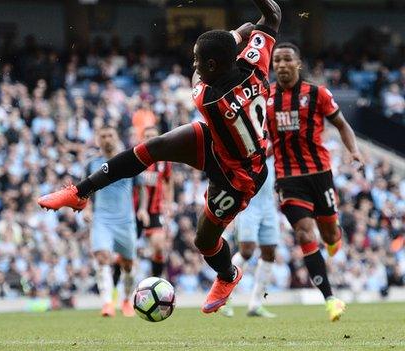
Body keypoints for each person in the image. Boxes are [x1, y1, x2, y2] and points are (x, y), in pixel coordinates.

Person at [39, 0, 281, 314]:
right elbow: (272, 15)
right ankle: (79, 192)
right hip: (219, 140)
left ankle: (228, 274)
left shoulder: (208, 98)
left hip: (238, 174)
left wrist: (238, 33)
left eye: (197, 60)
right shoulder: (256, 65)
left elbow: (209, 68)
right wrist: (241, 32)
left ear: (211, 66)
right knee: (153, 148)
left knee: (205, 241)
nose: (194, 65)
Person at [266, 42, 362, 322]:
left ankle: (334, 239)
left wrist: (353, 150)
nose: (281, 65)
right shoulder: (267, 97)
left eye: (287, 60)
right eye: (277, 61)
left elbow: (342, 124)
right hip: (288, 177)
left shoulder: (317, 93)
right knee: (305, 234)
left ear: (297, 63)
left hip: (320, 175)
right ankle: (331, 300)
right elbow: (266, 137)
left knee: (330, 235)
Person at [82, 126, 138, 317]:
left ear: (117, 137)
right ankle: (107, 303)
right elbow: (84, 191)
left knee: (128, 264)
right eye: (102, 135)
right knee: (102, 257)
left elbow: (141, 189)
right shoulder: (92, 164)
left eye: (110, 135)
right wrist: (87, 209)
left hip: (126, 221)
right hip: (102, 220)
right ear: (97, 139)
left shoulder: (129, 160)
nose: (106, 139)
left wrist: (144, 210)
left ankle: (126, 300)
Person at [219, 156, 279, 318]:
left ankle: (256, 304)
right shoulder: (256, 138)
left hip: (268, 203)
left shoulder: (272, 137)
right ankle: (224, 297)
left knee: (269, 252)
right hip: (249, 203)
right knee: (247, 251)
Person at [135, 126, 173, 278]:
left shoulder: (164, 161)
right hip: (133, 209)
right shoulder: (135, 158)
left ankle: (156, 281)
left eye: (153, 136)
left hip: (155, 210)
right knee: (125, 252)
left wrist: (169, 203)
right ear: (142, 139)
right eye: (147, 136)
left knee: (159, 246)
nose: (150, 139)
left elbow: (169, 181)